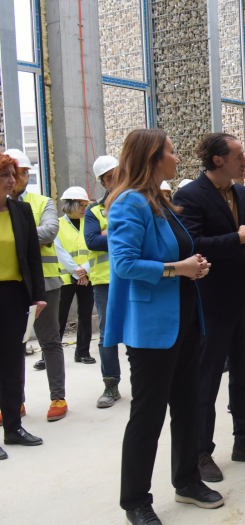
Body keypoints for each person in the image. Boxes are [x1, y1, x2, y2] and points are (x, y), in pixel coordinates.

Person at [103, 129, 222, 524]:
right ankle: (135, 500)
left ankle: (187, 481)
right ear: (152, 158)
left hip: (184, 319)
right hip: (153, 328)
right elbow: (124, 264)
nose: (176, 157)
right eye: (170, 152)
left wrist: (193, 267)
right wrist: (177, 269)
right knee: (148, 414)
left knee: (187, 406)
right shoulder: (129, 202)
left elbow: (175, 253)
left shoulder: (160, 202)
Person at [173, 133, 245, 483]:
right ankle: (201, 452)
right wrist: (238, 239)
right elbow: (192, 243)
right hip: (210, 304)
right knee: (205, 381)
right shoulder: (190, 196)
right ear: (218, 160)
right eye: (239, 156)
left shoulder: (240, 194)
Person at [5, 148, 65, 422]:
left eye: (21, 172)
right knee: (12, 346)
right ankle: (14, 402)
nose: (17, 178)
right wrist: (30, 234)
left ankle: (58, 397)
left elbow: (50, 230)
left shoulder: (42, 202)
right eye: (10, 173)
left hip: (45, 282)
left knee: (49, 341)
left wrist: (19, 233)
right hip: (12, 286)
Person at [0, 153, 47, 460]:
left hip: (15, 296)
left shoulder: (21, 210)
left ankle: (13, 428)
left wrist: (37, 296)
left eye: (12, 174)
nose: (11, 180)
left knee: (13, 364)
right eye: (4, 175)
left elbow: (32, 257)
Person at [84, 155, 123, 408]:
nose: (116, 180)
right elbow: (92, 241)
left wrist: (110, 232)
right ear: (103, 182)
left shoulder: (137, 202)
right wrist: (123, 233)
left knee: (138, 330)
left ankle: (146, 381)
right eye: (110, 177)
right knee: (107, 335)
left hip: (132, 276)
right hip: (105, 281)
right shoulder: (93, 211)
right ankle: (111, 385)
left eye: (119, 174)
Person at [55, 187, 96, 380]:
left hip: (87, 275)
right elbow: (59, 250)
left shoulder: (89, 223)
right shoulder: (58, 224)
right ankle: (50, 355)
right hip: (66, 277)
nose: (84, 209)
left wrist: (84, 270)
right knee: (59, 316)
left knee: (85, 314)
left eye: (86, 205)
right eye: (81, 205)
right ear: (70, 204)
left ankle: (82, 352)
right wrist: (75, 270)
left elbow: (94, 249)